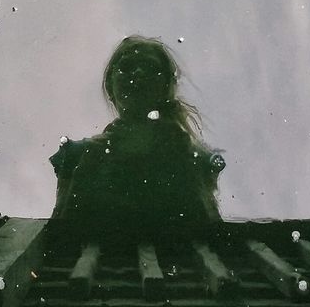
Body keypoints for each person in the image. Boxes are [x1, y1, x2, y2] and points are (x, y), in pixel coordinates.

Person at [49, 36, 226, 232]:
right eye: (126, 67)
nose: (139, 73)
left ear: (166, 85)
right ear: (110, 85)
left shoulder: (197, 159)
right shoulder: (75, 155)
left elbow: (212, 227)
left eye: (151, 68)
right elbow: (57, 229)